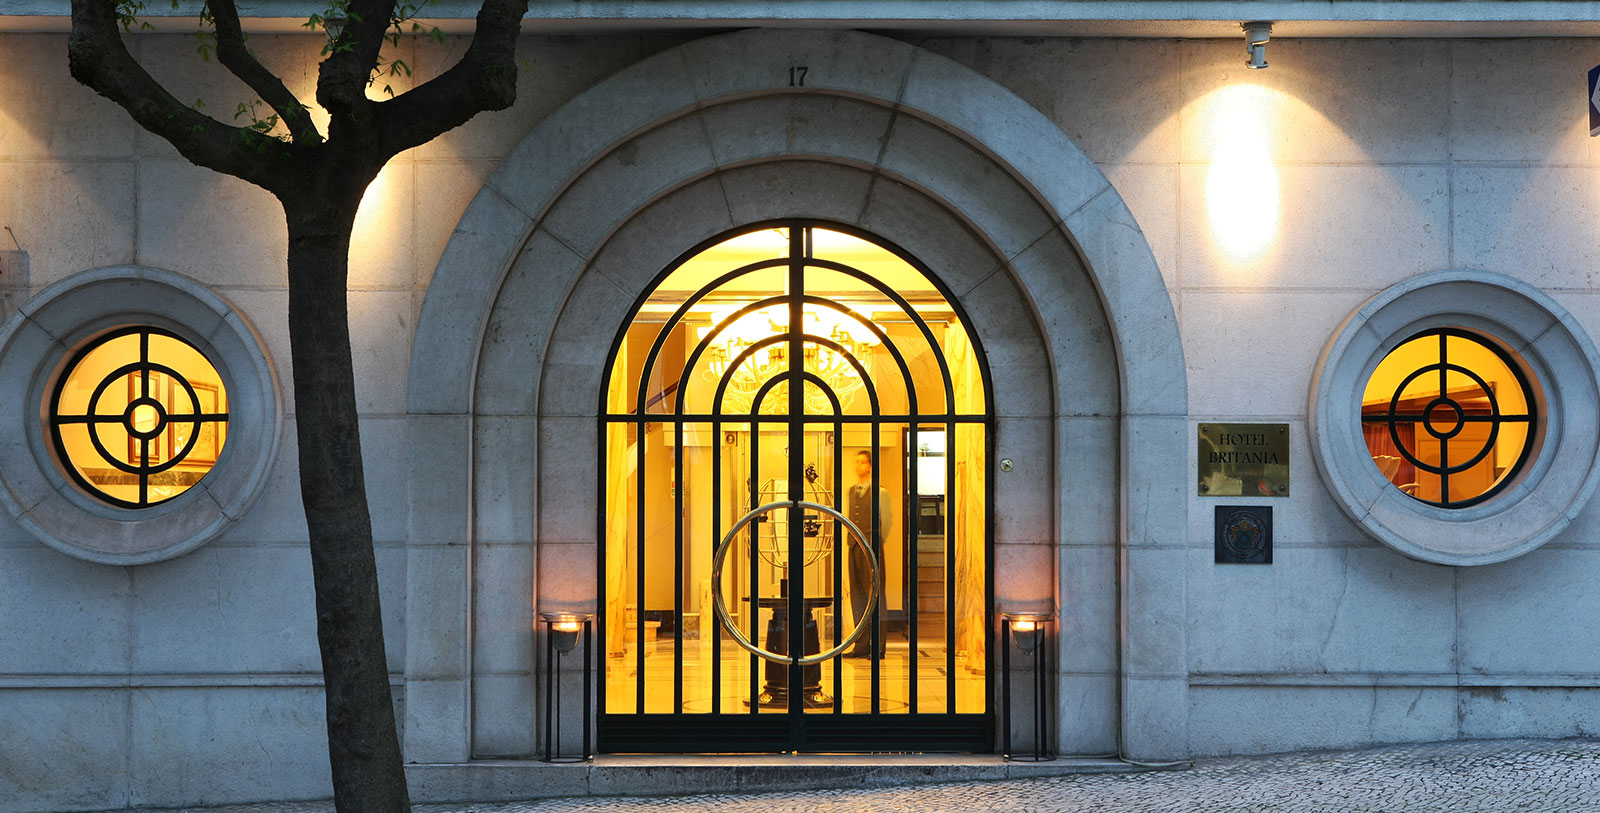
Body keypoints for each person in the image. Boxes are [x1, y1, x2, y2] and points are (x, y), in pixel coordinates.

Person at [845, 449, 890, 658]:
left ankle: (878, 647)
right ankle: (861, 645)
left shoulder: (880, 492)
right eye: (856, 462)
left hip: (872, 547)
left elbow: (886, 522)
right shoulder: (851, 491)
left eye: (862, 462)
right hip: (853, 546)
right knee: (857, 597)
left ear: (870, 466)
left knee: (876, 595)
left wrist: (875, 542)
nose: (858, 465)